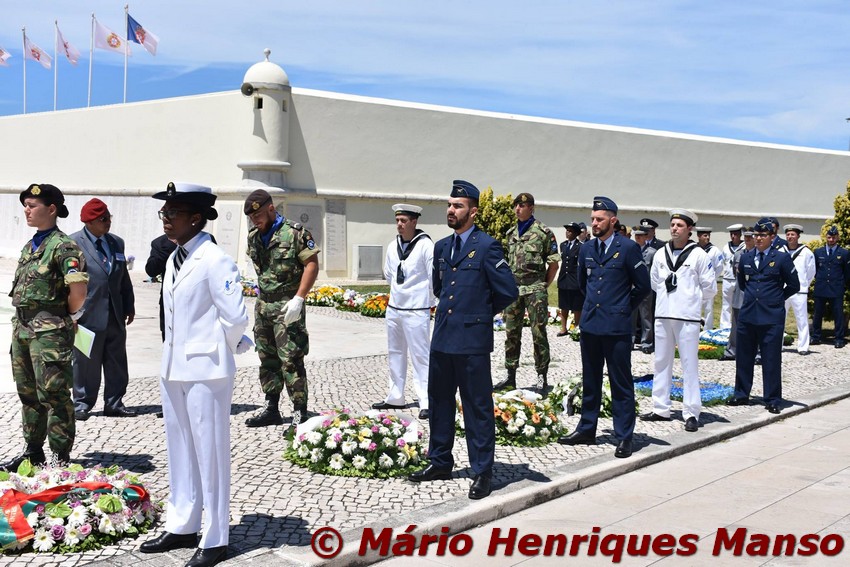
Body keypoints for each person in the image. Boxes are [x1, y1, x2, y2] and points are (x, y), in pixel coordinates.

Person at [139, 182, 249, 567]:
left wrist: (222, 348)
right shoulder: (175, 257)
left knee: (210, 453)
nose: (166, 219)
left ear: (196, 218)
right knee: (180, 448)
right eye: (164, 213)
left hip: (207, 370)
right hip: (174, 367)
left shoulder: (215, 259)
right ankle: (183, 524)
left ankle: (215, 537)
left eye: (173, 213)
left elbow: (235, 317)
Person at [407, 180, 518, 500]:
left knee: (476, 406)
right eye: (449, 205)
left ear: (473, 212)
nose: (451, 210)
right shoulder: (442, 247)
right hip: (443, 337)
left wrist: (479, 314)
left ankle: (482, 470)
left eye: (458, 206)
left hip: (472, 341)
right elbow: (440, 287)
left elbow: (507, 291)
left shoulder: (487, 246)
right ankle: (440, 460)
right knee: (440, 402)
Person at [1, 184, 89, 471]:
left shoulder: (64, 246)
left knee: (54, 395)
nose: (26, 210)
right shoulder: (31, 246)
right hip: (23, 329)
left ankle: (60, 459)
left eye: (32, 205)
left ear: (52, 209)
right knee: (28, 394)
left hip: (49, 332)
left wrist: (66, 317)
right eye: (25, 205)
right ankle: (33, 453)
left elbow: (78, 291)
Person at [558, 196, 650, 458]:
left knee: (621, 382)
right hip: (591, 324)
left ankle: (624, 435)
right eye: (593, 219)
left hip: (616, 327)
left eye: (599, 219)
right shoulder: (587, 248)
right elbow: (584, 284)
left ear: (613, 220)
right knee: (591, 379)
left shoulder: (628, 248)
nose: (594, 223)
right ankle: (587, 428)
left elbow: (643, 286)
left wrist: (622, 307)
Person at [242, 189, 319, 431]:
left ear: (271, 208)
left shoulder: (295, 233)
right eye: (251, 218)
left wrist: (299, 298)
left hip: (288, 306)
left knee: (291, 360)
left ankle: (299, 412)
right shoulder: (254, 237)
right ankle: (271, 408)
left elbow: (311, 264)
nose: (255, 221)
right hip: (264, 306)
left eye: (258, 216)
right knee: (267, 359)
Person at [641, 209, 715, 432]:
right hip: (664, 313)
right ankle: (660, 407)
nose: (674, 228)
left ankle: (691, 412)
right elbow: (655, 282)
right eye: (672, 224)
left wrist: (690, 299)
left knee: (689, 364)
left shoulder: (699, 255)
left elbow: (709, 288)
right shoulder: (660, 253)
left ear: (689, 229)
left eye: (680, 225)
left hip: (687, 316)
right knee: (661, 362)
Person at [70, 198, 136, 420]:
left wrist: (129, 305)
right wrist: (70, 313)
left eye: (109, 217)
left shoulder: (116, 242)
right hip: (86, 315)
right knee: (85, 362)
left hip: (115, 314)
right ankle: (82, 403)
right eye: (103, 219)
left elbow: (123, 277)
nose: (108, 222)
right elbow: (66, 283)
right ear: (89, 222)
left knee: (117, 360)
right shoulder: (73, 243)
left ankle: (114, 403)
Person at [727, 218, 799, 414]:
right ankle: (741, 394)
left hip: (771, 317)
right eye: (756, 235)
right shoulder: (746, 258)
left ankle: (773, 398)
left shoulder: (782, 258)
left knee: (771, 359)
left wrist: (777, 298)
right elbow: (743, 283)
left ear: (772, 237)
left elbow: (794, 285)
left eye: (763, 235)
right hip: (748, 314)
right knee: (744, 357)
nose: (758, 238)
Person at [373, 204, 435, 420]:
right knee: (395, 353)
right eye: (397, 220)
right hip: (395, 308)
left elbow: (433, 277)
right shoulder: (393, 245)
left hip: (416, 309)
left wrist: (426, 301)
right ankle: (395, 395)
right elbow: (389, 275)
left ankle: (426, 399)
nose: (399, 224)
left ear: (414, 222)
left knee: (421, 356)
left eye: (403, 221)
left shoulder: (426, 245)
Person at [496, 192, 559, 391]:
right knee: (511, 334)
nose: (517, 209)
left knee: (538, 333)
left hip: (535, 290)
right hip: (514, 291)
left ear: (531, 208)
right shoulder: (511, 233)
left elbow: (554, 264)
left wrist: (543, 285)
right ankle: (510, 376)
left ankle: (541, 376)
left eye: (522, 205)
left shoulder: (544, 233)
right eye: (516, 205)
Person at [811, 225, 850, 348]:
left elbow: (847, 272)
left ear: (837, 238)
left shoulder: (844, 253)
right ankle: (816, 336)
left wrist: (842, 284)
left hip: (836, 288)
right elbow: (814, 270)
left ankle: (839, 338)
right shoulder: (818, 252)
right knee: (817, 314)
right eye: (829, 237)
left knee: (838, 315)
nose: (831, 240)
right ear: (826, 237)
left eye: (833, 237)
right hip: (821, 287)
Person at [721, 227, 755, 361]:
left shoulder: (759, 255)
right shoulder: (738, 255)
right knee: (735, 325)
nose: (747, 239)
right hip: (739, 293)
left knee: (756, 326)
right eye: (745, 237)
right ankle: (732, 351)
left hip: (754, 295)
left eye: (750, 237)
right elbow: (736, 275)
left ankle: (757, 353)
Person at [783, 224, 816, 355]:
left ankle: (803, 347)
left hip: (799, 291)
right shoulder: (781, 250)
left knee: (802, 320)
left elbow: (811, 272)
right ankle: (777, 344)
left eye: (792, 234)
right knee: (779, 318)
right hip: (783, 290)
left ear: (798, 236)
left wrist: (803, 285)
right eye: (788, 234)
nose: (790, 237)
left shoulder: (806, 252)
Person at [146, 234, 178, 341]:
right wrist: (170, 245)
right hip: (169, 305)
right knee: (169, 342)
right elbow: (151, 270)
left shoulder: (204, 240)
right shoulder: (160, 243)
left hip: (197, 308)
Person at [632, 226, 657, 354]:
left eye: (640, 235)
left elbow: (654, 272)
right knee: (631, 316)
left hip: (646, 288)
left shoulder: (652, 252)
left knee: (645, 316)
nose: (638, 237)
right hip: (632, 287)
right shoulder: (630, 250)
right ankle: (630, 340)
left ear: (646, 237)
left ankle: (647, 342)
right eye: (636, 235)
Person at [556, 222, 584, 336]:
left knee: (577, 305)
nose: (568, 233)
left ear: (576, 233)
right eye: (567, 230)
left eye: (571, 231)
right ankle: (563, 328)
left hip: (574, 278)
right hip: (564, 278)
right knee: (563, 304)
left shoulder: (580, 246)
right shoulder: (563, 245)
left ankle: (576, 328)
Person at [695, 227, 725, 329]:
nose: (707, 237)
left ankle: (707, 329)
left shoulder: (714, 250)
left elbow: (719, 267)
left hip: (708, 284)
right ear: (698, 236)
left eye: (708, 235)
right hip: (695, 283)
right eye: (705, 235)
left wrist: (711, 279)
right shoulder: (694, 249)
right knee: (695, 306)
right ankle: (695, 327)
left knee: (708, 307)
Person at [719, 224, 744, 329]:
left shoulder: (744, 246)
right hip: (727, 279)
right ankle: (724, 326)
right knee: (726, 303)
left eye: (736, 234)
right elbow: (722, 262)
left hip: (739, 279)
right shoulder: (726, 247)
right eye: (732, 234)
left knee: (740, 303)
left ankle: (738, 324)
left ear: (740, 235)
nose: (733, 236)